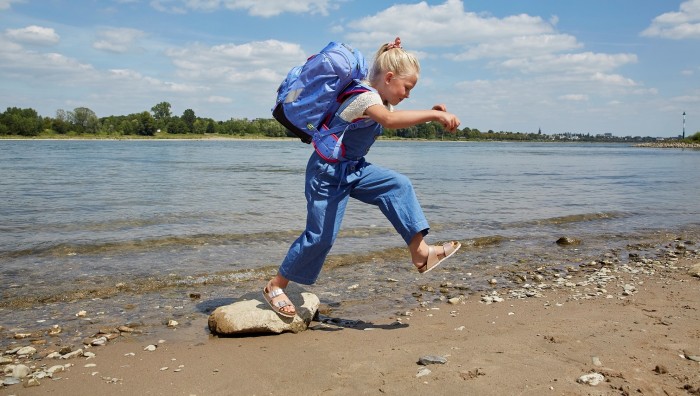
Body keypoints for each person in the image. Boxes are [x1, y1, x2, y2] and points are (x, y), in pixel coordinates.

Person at [263, 37, 462, 318]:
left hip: (354, 168)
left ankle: (421, 254)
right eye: (407, 87)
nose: (407, 94)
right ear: (390, 78)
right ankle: (275, 285)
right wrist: (432, 115)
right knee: (321, 237)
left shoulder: (380, 98)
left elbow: (396, 114)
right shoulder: (364, 97)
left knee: (398, 185)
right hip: (327, 173)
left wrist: (434, 112)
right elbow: (390, 122)